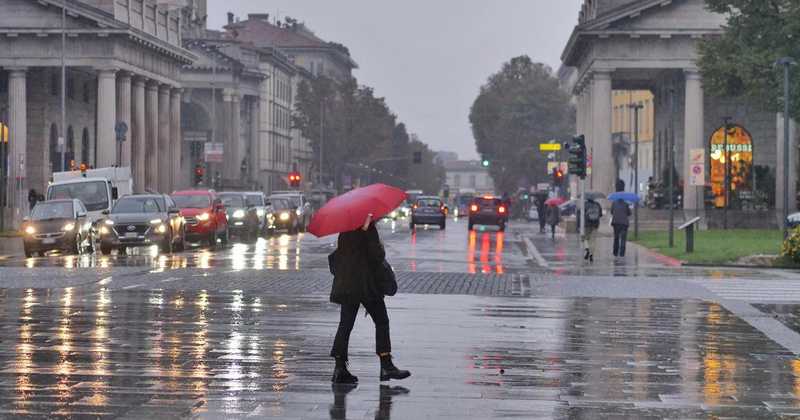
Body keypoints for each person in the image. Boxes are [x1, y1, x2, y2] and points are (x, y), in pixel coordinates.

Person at [330, 214, 410, 384]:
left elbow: (343, 252)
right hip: (366, 284)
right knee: (381, 321)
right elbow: (376, 256)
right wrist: (376, 243)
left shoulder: (346, 227)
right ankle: (386, 364)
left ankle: (339, 367)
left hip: (347, 283)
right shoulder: (367, 227)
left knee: (345, 324)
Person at [582, 199, 603, 263]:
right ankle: (591, 255)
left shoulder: (585, 204)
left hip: (587, 224)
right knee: (593, 240)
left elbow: (581, 214)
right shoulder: (597, 204)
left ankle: (587, 248)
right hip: (595, 225)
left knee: (585, 238)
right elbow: (600, 215)